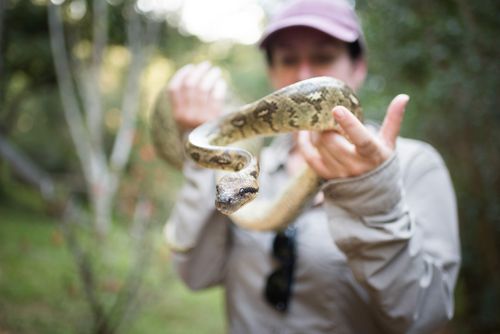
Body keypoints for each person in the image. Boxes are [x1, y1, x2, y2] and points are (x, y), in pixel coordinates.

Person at [162, 0, 461, 333]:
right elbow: (196, 275)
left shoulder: (415, 166)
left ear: (358, 67)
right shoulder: (252, 161)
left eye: (323, 57)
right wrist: (206, 149)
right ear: (273, 74)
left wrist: (373, 196)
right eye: (288, 59)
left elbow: (427, 317)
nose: (305, 75)